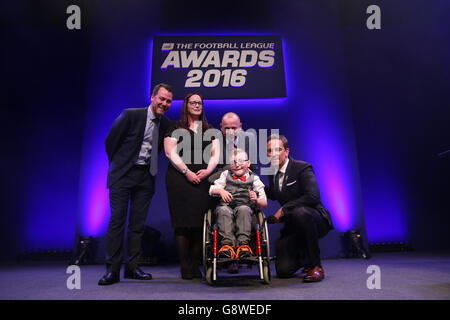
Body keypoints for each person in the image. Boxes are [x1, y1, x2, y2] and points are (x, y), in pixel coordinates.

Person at [98, 83, 173, 285]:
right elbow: (110, 142)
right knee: (117, 222)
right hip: (123, 174)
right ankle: (112, 271)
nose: (164, 103)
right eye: (162, 99)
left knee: (137, 225)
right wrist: (121, 164)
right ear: (152, 97)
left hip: (146, 177)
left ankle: (132, 268)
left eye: (168, 101)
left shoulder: (165, 124)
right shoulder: (131, 115)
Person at [164, 93, 220, 280]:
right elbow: (170, 152)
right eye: (193, 102)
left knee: (199, 224)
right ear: (186, 105)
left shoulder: (209, 128)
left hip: (203, 179)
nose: (197, 105)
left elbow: (215, 154)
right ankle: (184, 264)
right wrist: (186, 172)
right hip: (179, 179)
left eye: (200, 103)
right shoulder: (175, 126)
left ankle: (195, 264)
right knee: (182, 224)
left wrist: (208, 171)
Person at [265, 134, 334, 282]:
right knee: (283, 271)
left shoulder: (302, 168)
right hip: (293, 225)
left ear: (287, 151)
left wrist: (284, 210)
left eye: (278, 149)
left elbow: (313, 197)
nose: (274, 154)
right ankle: (303, 257)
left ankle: (316, 266)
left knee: (300, 213)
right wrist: (253, 183)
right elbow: (273, 194)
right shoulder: (273, 173)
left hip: (315, 219)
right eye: (270, 151)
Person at [209, 149, 267, 260]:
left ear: (248, 163)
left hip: (246, 209)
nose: (237, 165)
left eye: (241, 161)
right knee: (223, 211)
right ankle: (227, 246)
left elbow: (264, 203)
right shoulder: (225, 174)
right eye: (234, 162)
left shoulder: (254, 178)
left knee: (244, 209)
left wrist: (256, 200)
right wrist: (221, 191)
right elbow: (212, 190)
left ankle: (243, 245)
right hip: (226, 207)